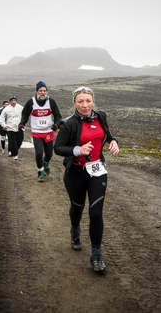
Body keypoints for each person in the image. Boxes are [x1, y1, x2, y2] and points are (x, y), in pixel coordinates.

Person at [54, 86, 120, 272]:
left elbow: (106, 133)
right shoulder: (69, 124)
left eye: (88, 101)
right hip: (75, 172)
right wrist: (78, 150)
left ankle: (96, 255)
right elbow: (57, 148)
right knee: (77, 207)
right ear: (74, 103)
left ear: (93, 101)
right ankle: (75, 231)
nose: (85, 105)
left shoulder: (101, 116)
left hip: (97, 170)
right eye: (80, 101)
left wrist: (113, 140)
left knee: (96, 213)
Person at [19, 81, 62, 182]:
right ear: (37, 91)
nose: (42, 92)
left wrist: (56, 124)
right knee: (38, 153)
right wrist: (21, 124)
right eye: (40, 90)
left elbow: (58, 116)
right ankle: (40, 171)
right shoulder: (31, 102)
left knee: (49, 154)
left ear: (47, 92)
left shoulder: (51, 102)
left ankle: (46, 162)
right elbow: (25, 115)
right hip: (37, 131)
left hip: (48, 131)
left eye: (44, 90)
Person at [0, 96, 24, 160]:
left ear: (16, 101)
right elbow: (1, 118)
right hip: (10, 128)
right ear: (10, 101)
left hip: (19, 128)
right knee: (13, 142)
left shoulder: (20, 107)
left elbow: (25, 115)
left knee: (20, 141)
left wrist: (23, 123)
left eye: (14, 100)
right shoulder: (6, 109)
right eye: (12, 101)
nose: (13, 102)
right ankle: (15, 155)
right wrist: (4, 125)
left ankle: (15, 150)